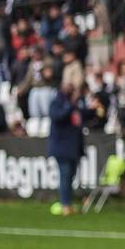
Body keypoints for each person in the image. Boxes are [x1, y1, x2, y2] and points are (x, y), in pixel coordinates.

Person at [48, 85, 84, 216]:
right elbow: (57, 117)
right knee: (65, 175)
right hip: (61, 147)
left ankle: (68, 202)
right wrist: (71, 106)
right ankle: (65, 204)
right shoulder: (57, 103)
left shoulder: (76, 105)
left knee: (70, 176)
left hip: (73, 148)